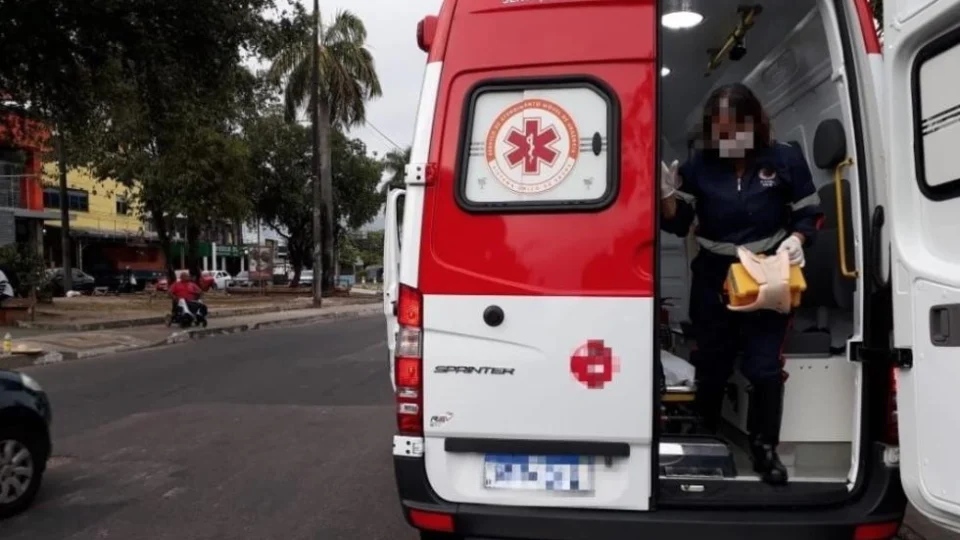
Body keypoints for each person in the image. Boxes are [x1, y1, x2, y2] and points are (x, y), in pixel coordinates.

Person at [660, 83, 823, 486]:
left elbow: (810, 213)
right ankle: (705, 438)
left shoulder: (784, 159)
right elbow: (679, 224)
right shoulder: (699, 166)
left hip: (768, 272)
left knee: (763, 367)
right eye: (720, 131)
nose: (727, 138)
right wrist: (666, 195)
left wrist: (797, 240)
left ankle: (764, 449)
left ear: (754, 123)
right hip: (715, 272)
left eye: (735, 129)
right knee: (712, 362)